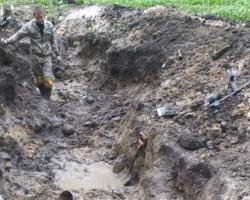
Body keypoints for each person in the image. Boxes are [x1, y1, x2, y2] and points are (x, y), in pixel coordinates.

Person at [0, 6, 61, 100]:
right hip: (35, 56)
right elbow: (19, 34)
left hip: (47, 56)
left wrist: (57, 54)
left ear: (43, 16)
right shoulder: (29, 26)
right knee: (39, 80)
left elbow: (53, 40)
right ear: (34, 16)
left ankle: (47, 99)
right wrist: (7, 41)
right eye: (37, 17)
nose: (39, 19)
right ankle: (42, 97)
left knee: (48, 81)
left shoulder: (49, 25)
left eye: (41, 17)